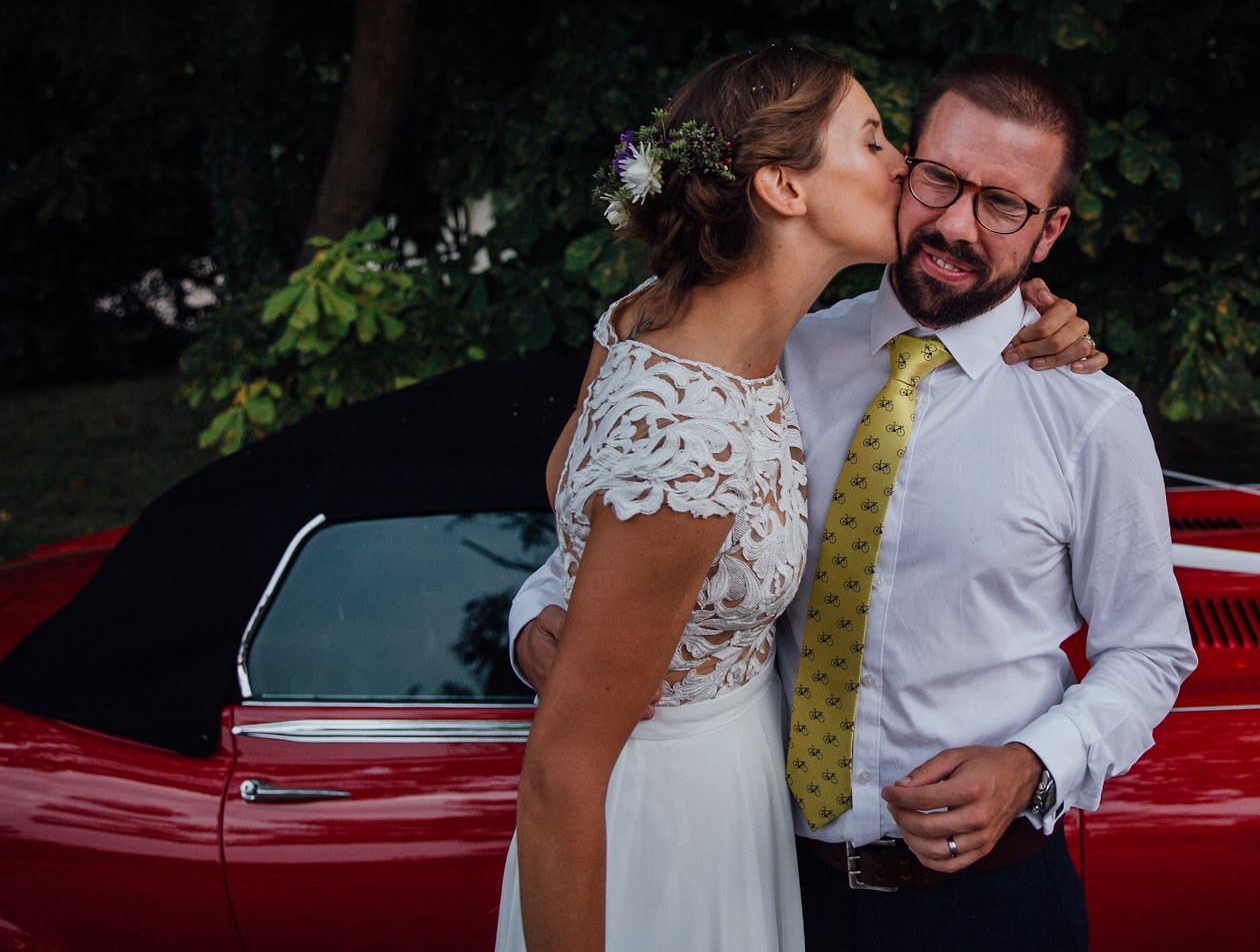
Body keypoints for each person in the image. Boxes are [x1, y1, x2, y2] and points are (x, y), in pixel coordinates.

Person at [510, 53, 1196, 952]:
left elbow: (1148, 650)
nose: (955, 224)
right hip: (778, 882)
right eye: (940, 178)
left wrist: (1035, 764)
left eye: (1002, 204)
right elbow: (621, 518)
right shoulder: (776, 357)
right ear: (908, 168)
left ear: (1049, 229)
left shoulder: (1088, 417)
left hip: (989, 906)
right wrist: (537, 622)